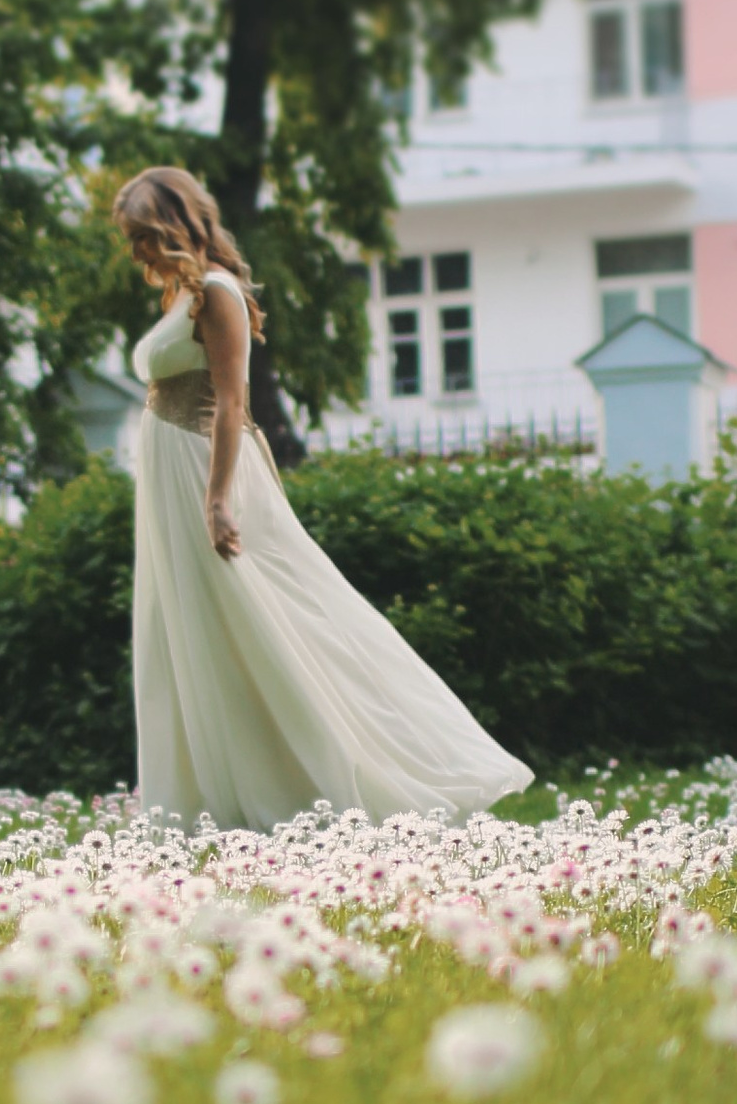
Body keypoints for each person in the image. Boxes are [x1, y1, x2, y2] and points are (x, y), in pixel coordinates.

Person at [112, 165, 532, 831]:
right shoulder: (178, 297)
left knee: (268, 622)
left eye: (142, 236)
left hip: (201, 471)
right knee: (197, 632)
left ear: (174, 228)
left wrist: (218, 497)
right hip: (170, 479)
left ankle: (339, 774)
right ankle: (212, 793)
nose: (134, 251)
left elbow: (230, 402)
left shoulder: (215, 294)